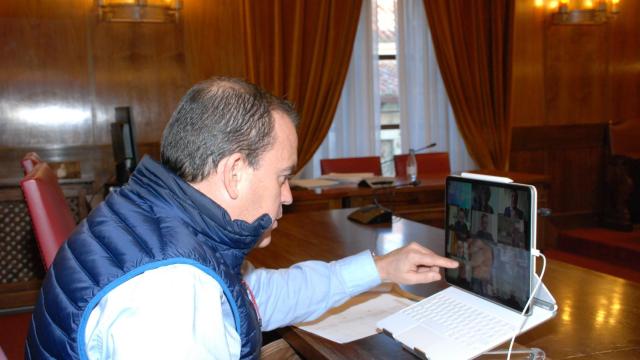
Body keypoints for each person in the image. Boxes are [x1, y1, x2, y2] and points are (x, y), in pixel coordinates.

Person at [25, 77, 458, 359]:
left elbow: (255, 298)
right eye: (283, 177)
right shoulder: (170, 292)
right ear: (234, 172)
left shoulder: (155, 215)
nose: (287, 196)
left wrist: (379, 268)